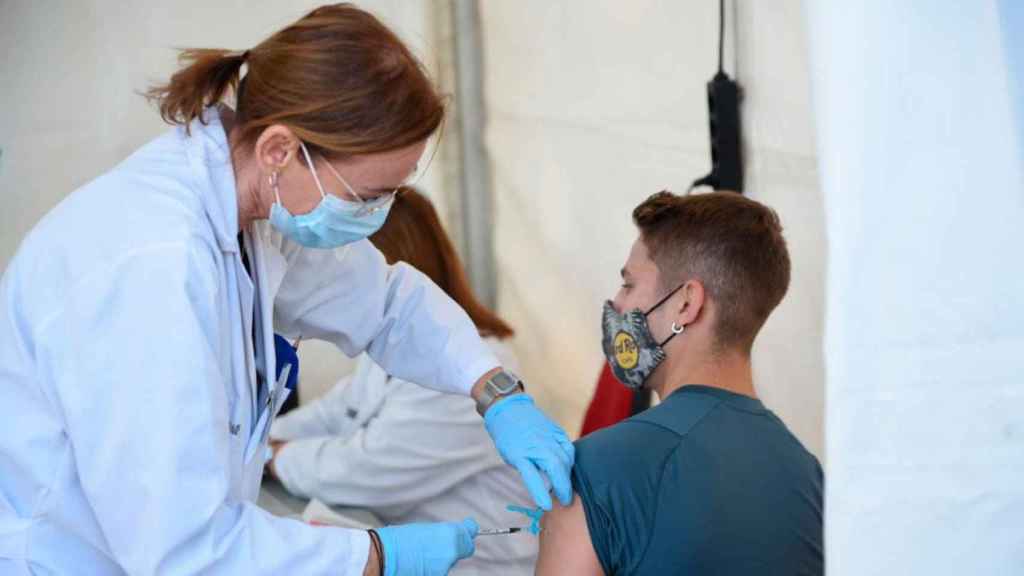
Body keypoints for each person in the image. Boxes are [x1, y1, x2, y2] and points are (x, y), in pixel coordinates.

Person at [0, 5, 573, 575]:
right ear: (279, 150)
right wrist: (378, 555)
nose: (378, 215)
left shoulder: (257, 216)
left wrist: (496, 392)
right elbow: (187, 552)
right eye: (367, 194)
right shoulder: (151, 266)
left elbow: (387, 305)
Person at [535, 191, 823, 575]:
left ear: (686, 304)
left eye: (629, 284)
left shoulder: (595, 468)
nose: (617, 305)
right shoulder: (810, 478)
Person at [267, 188, 538, 575]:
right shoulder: (396, 350)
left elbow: (362, 470)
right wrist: (261, 441)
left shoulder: (468, 373)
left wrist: (273, 456)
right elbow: (339, 412)